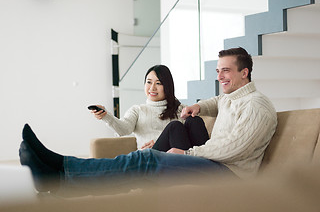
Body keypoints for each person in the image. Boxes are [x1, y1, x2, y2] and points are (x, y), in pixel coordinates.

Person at [19, 47, 277, 194]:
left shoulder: (257, 105)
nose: (220, 75)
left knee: (145, 158)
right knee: (173, 131)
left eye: (227, 70)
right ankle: (58, 166)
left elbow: (235, 148)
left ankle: (60, 172)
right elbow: (219, 102)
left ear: (244, 72)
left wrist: (187, 153)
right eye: (218, 70)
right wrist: (200, 105)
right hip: (215, 164)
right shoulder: (232, 98)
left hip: (231, 176)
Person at [90, 64, 185, 150]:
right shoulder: (138, 110)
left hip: (172, 159)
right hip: (147, 158)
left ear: (168, 86)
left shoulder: (180, 110)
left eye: (158, 83)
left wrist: (162, 144)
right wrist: (106, 116)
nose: (152, 88)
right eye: (149, 82)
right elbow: (123, 129)